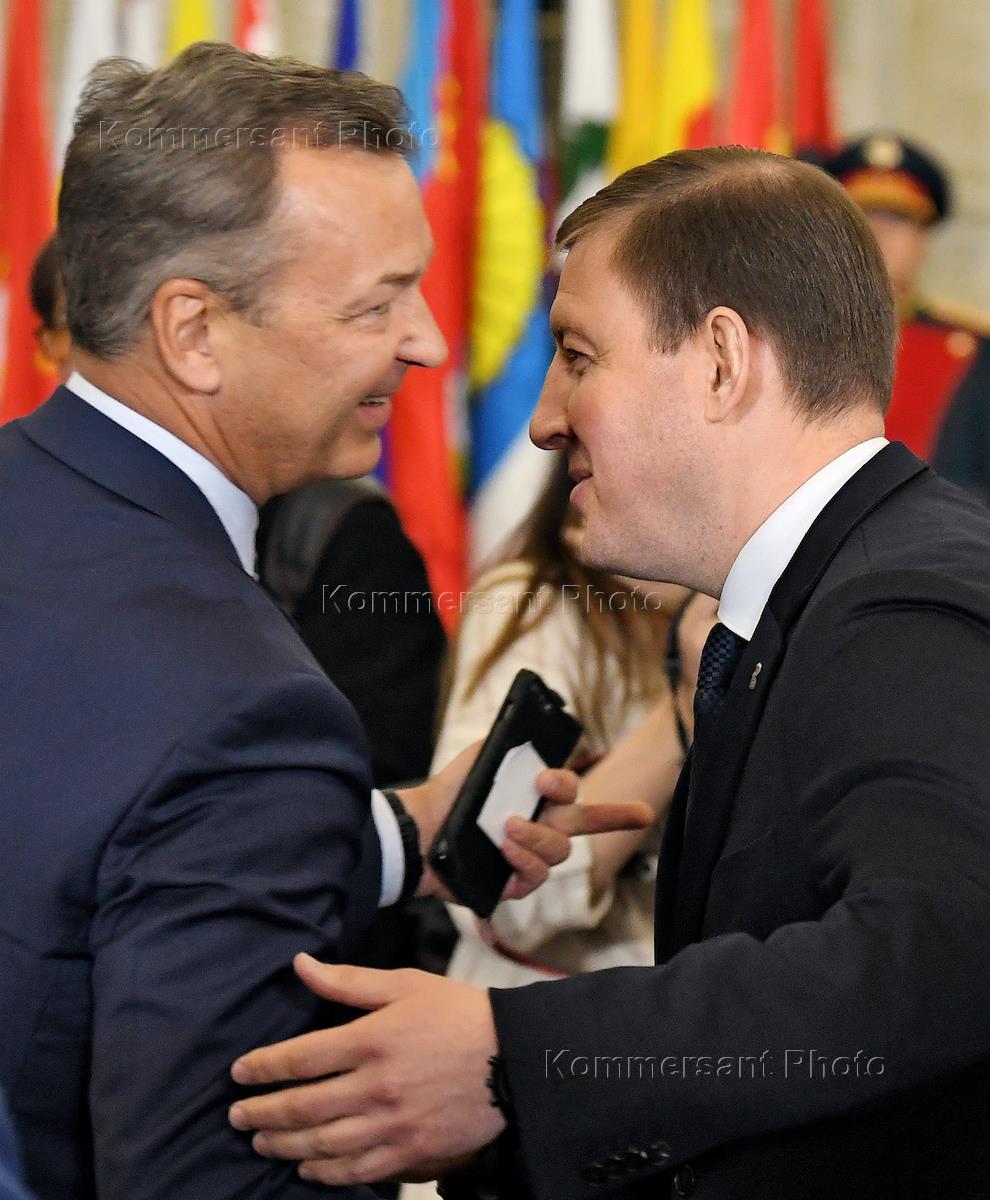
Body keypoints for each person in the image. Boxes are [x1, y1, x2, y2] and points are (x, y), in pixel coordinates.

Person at [229, 147, 990, 1200]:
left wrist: (517, 1058)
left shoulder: (897, 603)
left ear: (721, 362)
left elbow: (942, 957)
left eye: (579, 356)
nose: (544, 418)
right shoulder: (838, 590)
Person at [0, 44, 648, 1200]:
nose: (430, 342)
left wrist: (407, 834)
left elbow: (89, 854)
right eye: (376, 302)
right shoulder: (248, 708)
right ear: (193, 332)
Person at [431, 452, 686, 989]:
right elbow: (489, 891)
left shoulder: (790, 607)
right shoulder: (543, 603)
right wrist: (687, 703)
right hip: (550, 1012)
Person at [823, 132, 990, 478]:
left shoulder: (974, 353)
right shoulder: (795, 339)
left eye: (898, 218)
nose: (878, 232)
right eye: (862, 215)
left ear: (924, 239)